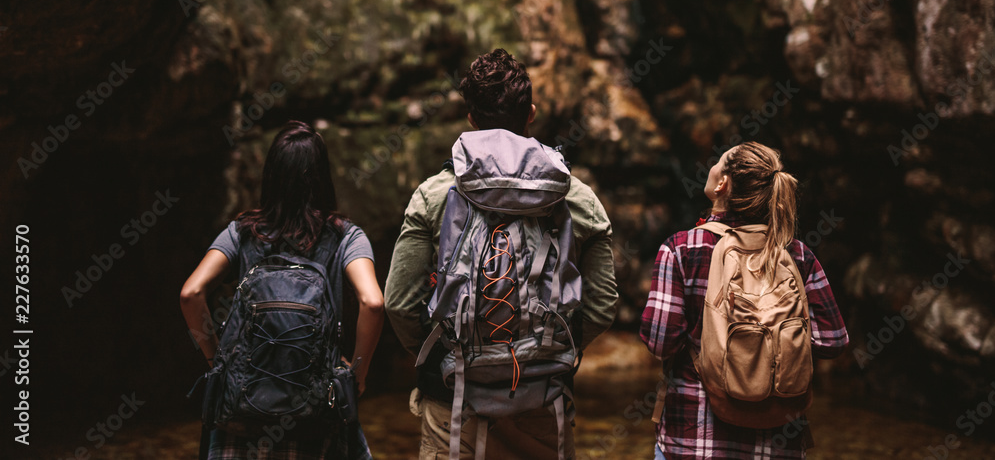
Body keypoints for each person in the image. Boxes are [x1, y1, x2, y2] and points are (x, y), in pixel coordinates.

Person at [384, 48, 619, 459]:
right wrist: (553, 351)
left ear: (471, 119)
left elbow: (399, 303)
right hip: (544, 402)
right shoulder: (578, 199)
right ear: (531, 113)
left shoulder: (434, 195)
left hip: (453, 405)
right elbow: (602, 305)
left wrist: (444, 357)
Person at [181, 120, 384, 460]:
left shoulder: (242, 232)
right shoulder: (345, 237)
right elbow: (373, 302)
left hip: (242, 407)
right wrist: (357, 374)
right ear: (322, 175)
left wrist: (217, 361)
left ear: (271, 174)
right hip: (315, 410)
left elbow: (191, 293)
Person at [640, 141, 849, 459]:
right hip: (776, 445)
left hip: (693, 442)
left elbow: (660, 341)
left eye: (717, 162)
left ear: (722, 183)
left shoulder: (681, 249)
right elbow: (832, 341)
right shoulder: (797, 255)